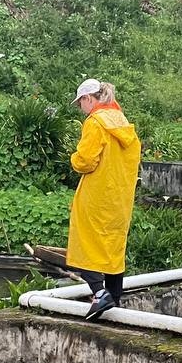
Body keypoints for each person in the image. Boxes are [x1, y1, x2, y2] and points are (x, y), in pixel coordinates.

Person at [66, 78, 142, 320]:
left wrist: (73, 158)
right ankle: (114, 298)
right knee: (113, 248)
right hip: (119, 197)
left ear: (88, 99)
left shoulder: (95, 122)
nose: (81, 109)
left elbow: (85, 161)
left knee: (84, 243)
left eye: (80, 103)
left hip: (97, 195)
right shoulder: (123, 122)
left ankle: (99, 293)